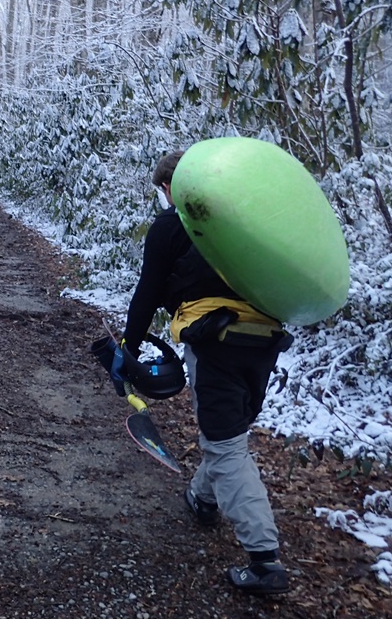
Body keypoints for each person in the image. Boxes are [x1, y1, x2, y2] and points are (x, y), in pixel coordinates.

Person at [118, 150, 293, 595]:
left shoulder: (172, 224)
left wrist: (127, 350)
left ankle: (264, 560)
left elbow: (147, 293)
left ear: (170, 187)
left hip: (216, 340)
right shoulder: (243, 219)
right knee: (228, 431)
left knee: (225, 444)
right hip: (264, 337)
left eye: (165, 191)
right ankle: (202, 497)